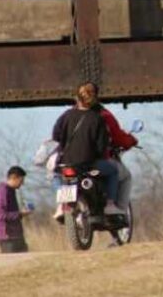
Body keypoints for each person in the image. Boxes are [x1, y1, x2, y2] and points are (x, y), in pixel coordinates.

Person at [52, 82, 123, 215]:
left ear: (77, 98)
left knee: (56, 176)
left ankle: (63, 204)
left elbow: (56, 135)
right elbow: (102, 145)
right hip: (88, 164)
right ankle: (110, 204)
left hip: (66, 162)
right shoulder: (97, 118)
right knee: (113, 171)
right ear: (95, 98)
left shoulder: (66, 116)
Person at [0, 166, 31, 253]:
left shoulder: (11, 191)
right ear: (14, 177)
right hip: (7, 237)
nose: (22, 183)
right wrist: (20, 214)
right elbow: (0, 215)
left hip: (17, 236)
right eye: (21, 180)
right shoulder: (3, 192)